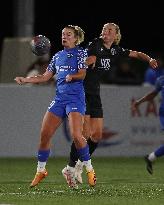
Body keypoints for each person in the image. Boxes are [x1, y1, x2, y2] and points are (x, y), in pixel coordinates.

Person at [62, 22, 158, 185]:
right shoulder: (95, 44)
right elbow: (87, 58)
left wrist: (149, 59)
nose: (106, 32)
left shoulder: (115, 50)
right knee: (84, 134)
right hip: (81, 91)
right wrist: (86, 62)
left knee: (97, 136)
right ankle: (69, 168)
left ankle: (78, 166)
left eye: (110, 30)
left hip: (94, 94)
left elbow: (135, 54)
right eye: (104, 29)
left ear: (116, 35)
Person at [14, 25, 96, 189]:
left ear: (75, 38)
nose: (64, 36)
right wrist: (26, 79)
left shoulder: (80, 53)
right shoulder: (57, 56)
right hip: (59, 99)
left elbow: (83, 73)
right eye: (63, 34)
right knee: (44, 134)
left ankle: (89, 169)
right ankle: (41, 171)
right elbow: (45, 77)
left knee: (76, 135)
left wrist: (72, 76)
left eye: (69, 34)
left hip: (75, 99)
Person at [131, 75, 164, 174]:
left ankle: (150, 157)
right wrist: (139, 102)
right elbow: (153, 94)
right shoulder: (161, 80)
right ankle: (151, 157)